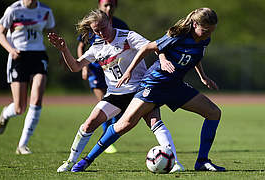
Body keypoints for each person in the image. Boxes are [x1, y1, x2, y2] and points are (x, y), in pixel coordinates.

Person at [72, 7, 226, 172]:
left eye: (211, 31)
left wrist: (203, 76)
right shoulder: (177, 35)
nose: (208, 34)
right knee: (124, 124)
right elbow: (147, 48)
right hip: (154, 84)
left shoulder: (204, 39)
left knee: (214, 113)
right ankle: (87, 160)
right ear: (195, 24)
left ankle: (202, 161)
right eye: (205, 30)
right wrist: (130, 70)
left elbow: (194, 56)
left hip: (175, 86)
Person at [48, 9, 184, 173]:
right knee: (89, 124)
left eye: (103, 28)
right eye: (96, 30)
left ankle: (175, 163)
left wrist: (162, 59)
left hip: (140, 91)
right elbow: (76, 66)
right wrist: (64, 50)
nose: (100, 33)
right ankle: (70, 161)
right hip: (114, 95)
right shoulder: (96, 47)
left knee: (155, 122)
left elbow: (154, 46)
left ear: (109, 22)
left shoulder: (128, 36)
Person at [0, 0, 55, 155]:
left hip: (38, 56)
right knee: (19, 108)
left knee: (36, 99)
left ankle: (22, 145)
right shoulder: (13, 10)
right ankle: (6, 113)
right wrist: (11, 50)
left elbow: (51, 32)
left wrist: (61, 51)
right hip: (18, 57)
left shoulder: (45, 10)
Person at [77, 0, 129, 154]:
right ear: (99, 6)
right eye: (105, 5)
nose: (108, 8)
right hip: (97, 69)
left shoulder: (121, 24)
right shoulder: (93, 23)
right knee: (104, 103)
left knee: (116, 105)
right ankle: (107, 137)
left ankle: (110, 134)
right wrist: (84, 67)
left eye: (111, 5)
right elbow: (81, 45)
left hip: (117, 69)